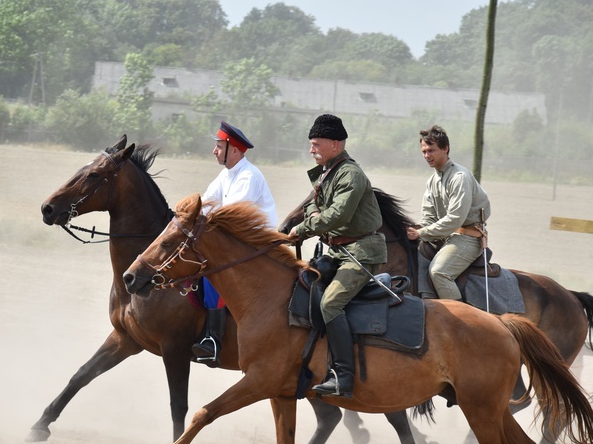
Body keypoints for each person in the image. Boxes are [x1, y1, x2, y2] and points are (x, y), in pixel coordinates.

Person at [288, 114, 386, 397]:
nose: (311, 149)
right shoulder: (327, 173)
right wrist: (312, 217)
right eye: (310, 144)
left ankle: (343, 376)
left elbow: (335, 215)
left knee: (330, 304)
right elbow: (312, 207)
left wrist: (304, 228)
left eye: (316, 144)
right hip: (339, 251)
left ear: (335, 144)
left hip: (361, 253)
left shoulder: (350, 174)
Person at [192, 120, 278, 367]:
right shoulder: (225, 174)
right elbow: (206, 203)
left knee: (214, 270)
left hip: (257, 247)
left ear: (235, 150)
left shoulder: (249, 176)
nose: (214, 151)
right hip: (239, 243)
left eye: (219, 146)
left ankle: (214, 340)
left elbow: (230, 216)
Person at [406, 125, 491, 300]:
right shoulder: (432, 181)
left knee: (439, 272)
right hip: (447, 236)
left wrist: (421, 233)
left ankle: (460, 321)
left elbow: (455, 219)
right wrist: (414, 230)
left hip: (468, 237)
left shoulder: (459, 177)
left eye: (431, 150)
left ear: (445, 149)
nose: (427, 156)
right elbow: (428, 217)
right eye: (424, 151)